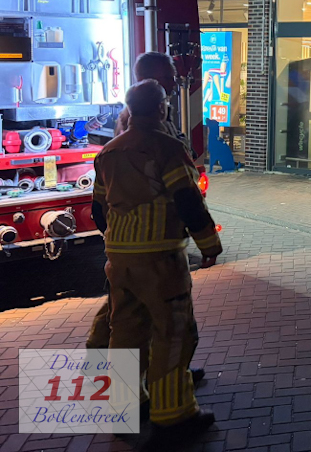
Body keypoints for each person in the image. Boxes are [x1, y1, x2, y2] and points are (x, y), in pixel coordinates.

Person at [92, 81, 222, 442]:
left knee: (126, 331)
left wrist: (118, 240)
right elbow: (187, 199)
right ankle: (173, 414)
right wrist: (209, 244)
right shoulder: (167, 148)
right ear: (161, 107)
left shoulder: (109, 152)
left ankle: (125, 407)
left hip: (119, 259)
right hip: (159, 257)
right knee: (173, 332)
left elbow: (97, 210)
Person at [86, 51, 206, 389]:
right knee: (160, 322)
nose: (175, 78)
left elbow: (101, 204)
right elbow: (179, 194)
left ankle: (122, 385)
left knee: (126, 318)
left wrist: (117, 237)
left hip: (127, 249)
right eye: (169, 73)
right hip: (153, 249)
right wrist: (204, 240)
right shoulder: (147, 128)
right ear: (152, 78)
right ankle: (164, 389)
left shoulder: (133, 122)